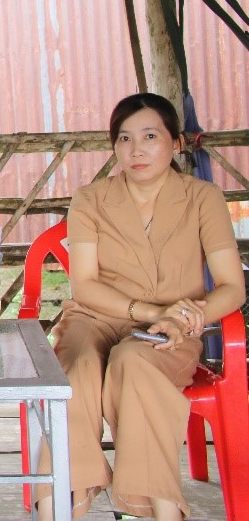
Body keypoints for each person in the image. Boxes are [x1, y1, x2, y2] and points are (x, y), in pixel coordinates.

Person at [36, 92, 244, 521]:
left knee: (134, 360)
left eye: (150, 136)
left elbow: (231, 287)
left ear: (176, 143)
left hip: (173, 328)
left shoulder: (202, 198)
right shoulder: (91, 198)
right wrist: (152, 313)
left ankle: (152, 509)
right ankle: (59, 505)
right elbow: (85, 285)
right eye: (124, 139)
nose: (136, 150)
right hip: (94, 319)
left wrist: (186, 317)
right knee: (74, 375)